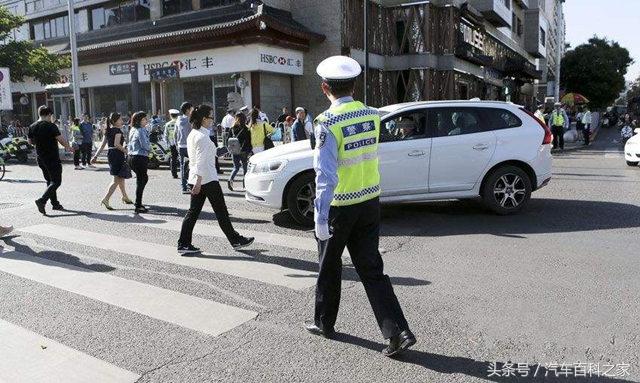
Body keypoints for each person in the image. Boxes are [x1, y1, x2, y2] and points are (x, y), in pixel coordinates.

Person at [304, 55, 415, 357]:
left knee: (328, 266)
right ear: (354, 85)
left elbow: (325, 174)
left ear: (325, 87)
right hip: (369, 201)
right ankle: (397, 332)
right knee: (372, 269)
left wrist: (321, 215)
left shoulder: (326, 122)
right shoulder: (371, 114)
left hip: (340, 205)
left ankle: (324, 323)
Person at [177, 104, 254, 254]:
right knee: (220, 212)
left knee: (194, 212)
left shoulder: (194, 134)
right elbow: (201, 161)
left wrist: (227, 149)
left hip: (198, 178)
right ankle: (235, 240)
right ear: (204, 119)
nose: (213, 120)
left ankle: (183, 243)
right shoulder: (202, 137)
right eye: (211, 117)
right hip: (206, 179)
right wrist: (199, 182)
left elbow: (211, 154)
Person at [28, 106, 74, 215]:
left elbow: (30, 141)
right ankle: (42, 200)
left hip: (40, 158)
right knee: (56, 181)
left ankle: (55, 203)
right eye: (51, 116)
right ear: (49, 115)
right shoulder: (51, 126)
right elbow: (61, 139)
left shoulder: (32, 126)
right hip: (52, 158)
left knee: (50, 181)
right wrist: (68, 147)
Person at [92, 112, 133, 210]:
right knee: (116, 180)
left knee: (120, 177)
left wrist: (95, 156)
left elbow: (102, 145)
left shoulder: (108, 131)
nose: (122, 121)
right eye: (120, 119)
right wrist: (126, 151)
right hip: (117, 155)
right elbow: (117, 144)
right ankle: (106, 199)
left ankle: (125, 197)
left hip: (111, 155)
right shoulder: (117, 130)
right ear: (115, 121)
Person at [128, 111, 151, 213]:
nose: (146, 120)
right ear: (139, 120)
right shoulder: (141, 130)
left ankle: (138, 201)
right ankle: (138, 205)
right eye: (144, 119)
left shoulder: (132, 129)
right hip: (140, 157)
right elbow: (145, 145)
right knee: (141, 180)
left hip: (131, 157)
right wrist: (150, 148)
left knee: (143, 179)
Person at [228, 112, 252, 191]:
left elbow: (228, 140)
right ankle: (245, 185)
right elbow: (248, 141)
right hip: (243, 151)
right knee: (245, 168)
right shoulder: (246, 129)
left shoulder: (232, 129)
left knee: (236, 167)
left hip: (234, 151)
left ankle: (230, 180)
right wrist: (249, 150)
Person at [176, 102, 194, 194]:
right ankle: (190, 185)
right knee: (191, 166)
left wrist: (176, 144)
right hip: (189, 146)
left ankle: (183, 186)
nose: (193, 110)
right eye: (191, 109)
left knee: (183, 166)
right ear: (187, 110)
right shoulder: (190, 120)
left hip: (180, 146)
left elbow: (176, 133)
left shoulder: (178, 120)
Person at [164, 109, 180, 179]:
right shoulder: (180, 123)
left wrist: (167, 144)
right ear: (177, 115)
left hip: (172, 144)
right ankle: (184, 173)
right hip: (180, 143)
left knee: (173, 158)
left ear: (170, 115)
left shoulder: (168, 124)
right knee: (183, 158)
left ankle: (174, 174)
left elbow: (165, 135)